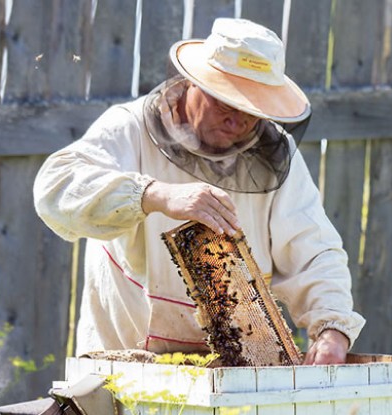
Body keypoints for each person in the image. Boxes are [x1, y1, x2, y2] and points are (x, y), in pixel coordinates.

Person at [32, 18, 364, 365]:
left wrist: (332, 328)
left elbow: (313, 250)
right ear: (194, 82)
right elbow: (56, 186)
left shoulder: (276, 153)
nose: (238, 122)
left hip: (233, 373)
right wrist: (154, 194)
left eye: (251, 112)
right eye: (227, 104)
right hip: (123, 367)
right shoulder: (131, 128)